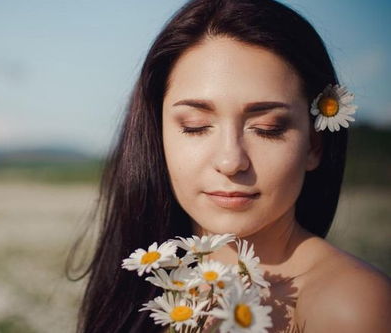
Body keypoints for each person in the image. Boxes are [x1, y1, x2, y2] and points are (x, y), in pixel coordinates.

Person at [66, 0, 391, 332]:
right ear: (156, 135)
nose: (230, 161)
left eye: (268, 128)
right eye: (195, 126)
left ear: (314, 144)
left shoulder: (350, 306)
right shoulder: (144, 288)